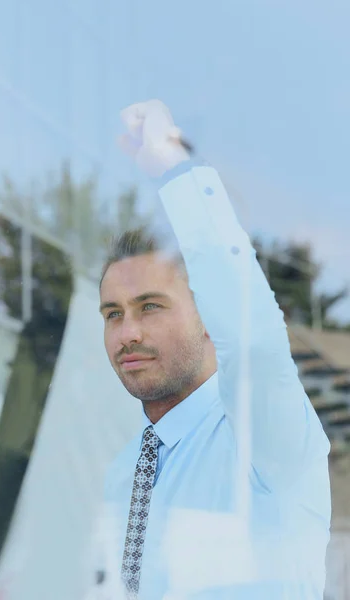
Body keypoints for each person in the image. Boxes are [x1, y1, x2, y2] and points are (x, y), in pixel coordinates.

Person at [91, 100, 331, 600]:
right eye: (113, 313)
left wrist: (177, 171)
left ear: (209, 316)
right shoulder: (121, 470)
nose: (127, 332)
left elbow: (253, 340)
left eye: (150, 306)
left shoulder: (263, 438)